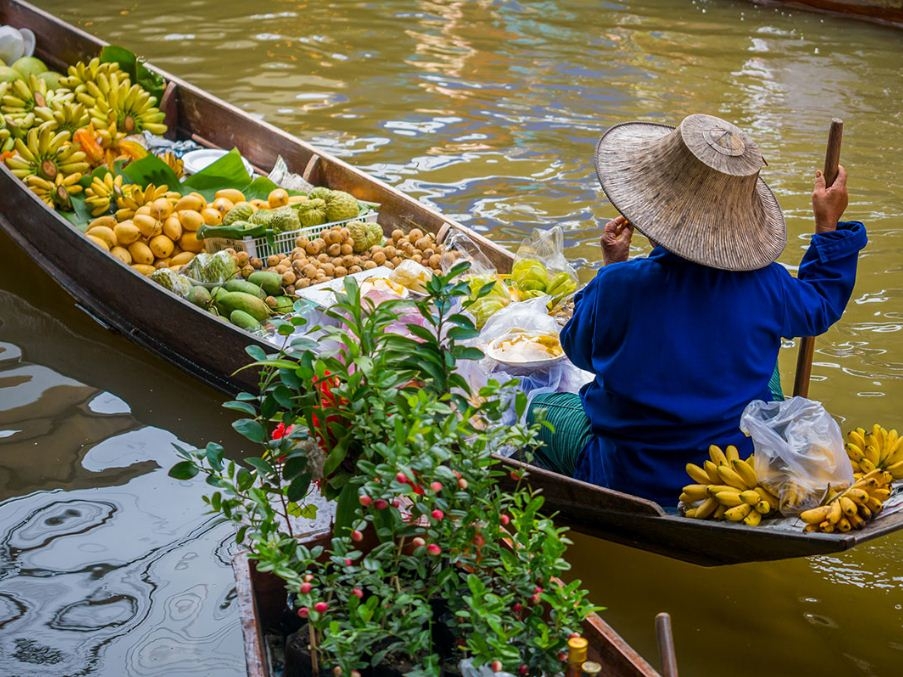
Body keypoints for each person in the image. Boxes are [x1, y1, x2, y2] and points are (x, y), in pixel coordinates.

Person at [526, 113, 867, 506]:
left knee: (539, 408)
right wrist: (827, 223)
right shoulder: (767, 283)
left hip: (630, 471)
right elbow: (819, 306)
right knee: (767, 360)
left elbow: (581, 352)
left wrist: (613, 266)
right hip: (732, 467)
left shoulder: (618, 284)